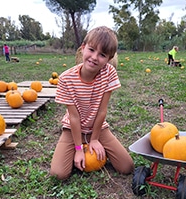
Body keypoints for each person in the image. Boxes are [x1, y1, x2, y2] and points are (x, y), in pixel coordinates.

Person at [50, 26, 134, 180]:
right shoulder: (66, 79)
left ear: (108, 59)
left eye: (102, 54)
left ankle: (96, 145)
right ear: (83, 48)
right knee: (59, 174)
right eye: (91, 50)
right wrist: (78, 148)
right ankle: (80, 146)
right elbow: (74, 118)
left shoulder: (109, 73)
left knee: (126, 167)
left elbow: (102, 111)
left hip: (98, 127)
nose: (95, 57)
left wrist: (94, 139)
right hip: (73, 128)